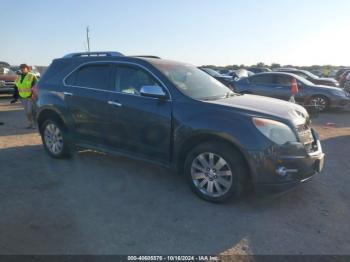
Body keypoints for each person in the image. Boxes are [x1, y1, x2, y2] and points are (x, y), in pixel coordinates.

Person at [15, 64, 37, 128]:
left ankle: (34, 124)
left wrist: (33, 94)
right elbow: (16, 87)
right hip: (22, 97)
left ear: (27, 68)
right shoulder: (18, 77)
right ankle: (30, 123)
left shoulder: (32, 76)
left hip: (31, 96)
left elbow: (35, 86)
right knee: (27, 112)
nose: (22, 69)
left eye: (24, 68)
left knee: (30, 111)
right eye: (21, 68)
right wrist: (15, 97)